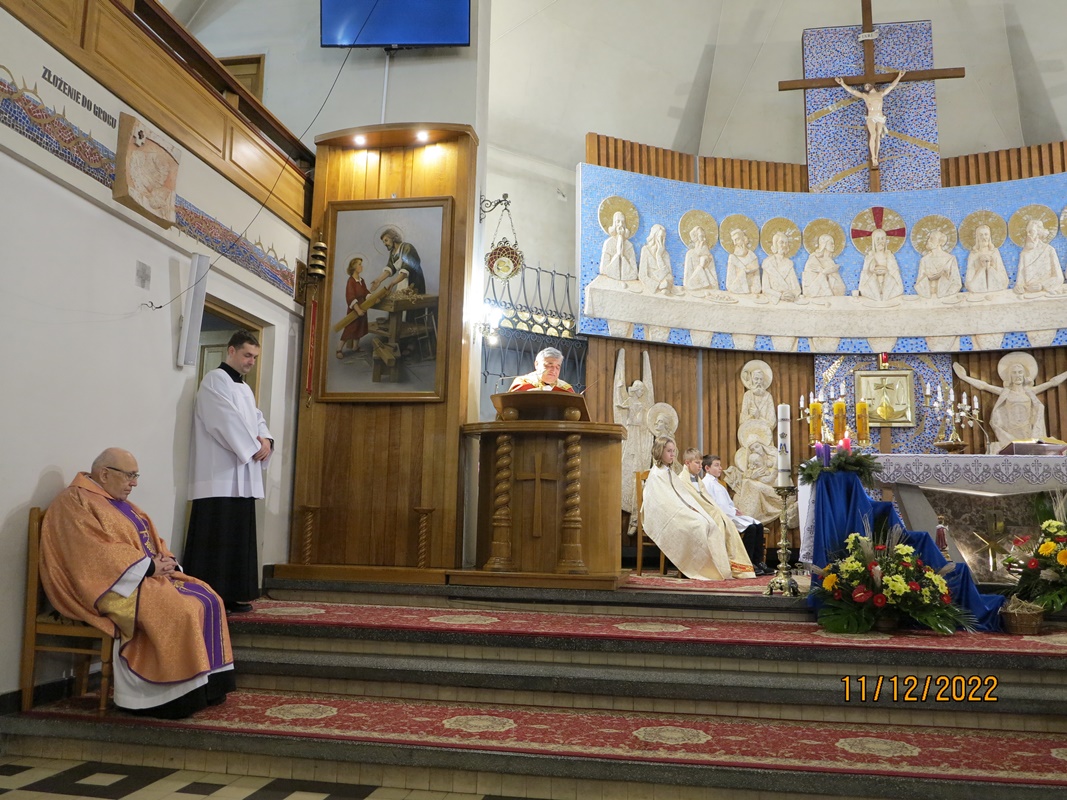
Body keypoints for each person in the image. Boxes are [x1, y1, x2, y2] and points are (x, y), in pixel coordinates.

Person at [41, 448, 234, 718]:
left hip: (135, 577)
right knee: (177, 610)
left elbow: (149, 537)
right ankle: (164, 699)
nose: (134, 483)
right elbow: (92, 553)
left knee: (209, 598)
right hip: (102, 586)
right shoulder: (74, 501)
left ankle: (207, 688)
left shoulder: (116, 501)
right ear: (105, 474)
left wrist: (165, 561)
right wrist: (151, 567)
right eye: (130, 476)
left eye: (136, 476)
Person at [185, 330, 273, 613]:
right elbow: (223, 420)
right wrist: (253, 446)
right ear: (231, 351)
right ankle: (211, 595)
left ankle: (235, 594)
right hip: (219, 476)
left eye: (255, 357)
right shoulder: (214, 380)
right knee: (217, 535)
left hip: (242, 475)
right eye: (247, 355)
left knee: (237, 537)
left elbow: (257, 419)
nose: (251, 362)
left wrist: (266, 440)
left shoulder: (245, 388)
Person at [640, 437, 755, 580]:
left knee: (710, 523)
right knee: (699, 525)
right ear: (659, 451)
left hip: (678, 510)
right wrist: (685, 510)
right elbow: (661, 501)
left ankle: (718, 567)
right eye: (669, 451)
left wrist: (690, 508)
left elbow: (679, 495)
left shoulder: (668, 471)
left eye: (674, 451)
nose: (672, 454)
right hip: (665, 514)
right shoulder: (657, 473)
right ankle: (699, 568)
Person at [954, 353, 1067, 452]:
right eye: (1014, 373)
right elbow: (984, 386)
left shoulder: (1030, 392)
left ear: (1024, 375)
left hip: (1028, 432)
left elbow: (1052, 382)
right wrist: (964, 377)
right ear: (1010, 376)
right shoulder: (1005, 392)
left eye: (1020, 372)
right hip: (1010, 434)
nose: (1018, 375)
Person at [702, 454, 770, 575]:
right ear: (707, 468)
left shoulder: (718, 484)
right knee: (751, 528)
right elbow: (714, 504)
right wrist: (732, 511)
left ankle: (758, 561)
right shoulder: (706, 483)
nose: (720, 468)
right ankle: (747, 563)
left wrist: (734, 509)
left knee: (758, 525)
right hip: (722, 517)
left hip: (730, 514)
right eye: (716, 465)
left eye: (720, 465)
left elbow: (728, 502)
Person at [834, 70, 906, 167]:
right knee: (873, 134)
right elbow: (853, 91)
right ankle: (873, 157)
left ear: (872, 85)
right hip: (871, 117)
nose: (866, 87)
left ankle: (876, 156)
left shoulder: (880, 94)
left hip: (880, 117)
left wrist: (899, 77)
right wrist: (842, 83)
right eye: (865, 87)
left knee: (878, 136)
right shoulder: (866, 96)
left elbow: (891, 86)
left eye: (867, 85)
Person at [1014, 219, 1064, 294]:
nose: (1028, 235)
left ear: (1039, 233)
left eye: (1031, 231)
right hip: (1028, 294)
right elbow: (1020, 282)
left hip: (1046, 292)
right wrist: (1019, 287)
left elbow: (1059, 277)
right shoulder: (1024, 254)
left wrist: (1042, 285)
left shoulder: (1049, 250)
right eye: (1027, 232)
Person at [370, 227, 425, 295]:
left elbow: (406, 270)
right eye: (383, 242)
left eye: (386, 240)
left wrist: (393, 283)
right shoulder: (393, 253)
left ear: (393, 238)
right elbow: (390, 268)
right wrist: (378, 280)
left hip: (413, 283)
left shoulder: (407, 247)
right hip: (402, 281)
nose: (384, 244)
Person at [914, 228, 962, 299]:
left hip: (946, 296)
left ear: (940, 242)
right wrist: (928, 279)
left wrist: (946, 291)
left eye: (932, 239)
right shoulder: (924, 260)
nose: (928, 241)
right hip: (928, 296)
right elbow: (919, 283)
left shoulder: (950, 259)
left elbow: (957, 283)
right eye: (929, 238)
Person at [599, 210, 640, 291]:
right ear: (613, 224)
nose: (620, 225)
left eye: (622, 222)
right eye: (618, 222)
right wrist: (618, 254)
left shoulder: (629, 245)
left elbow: (634, 273)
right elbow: (604, 269)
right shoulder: (608, 243)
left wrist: (622, 255)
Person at [336, 256, 369, 358]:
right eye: (359, 264)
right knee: (350, 328)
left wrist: (371, 297)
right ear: (354, 267)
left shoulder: (362, 280)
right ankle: (339, 349)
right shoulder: (351, 281)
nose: (361, 266)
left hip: (363, 306)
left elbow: (365, 292)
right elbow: (350, 296)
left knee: (360, 326)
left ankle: (355, 347)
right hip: (354, 309)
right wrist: (358, 310)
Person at [858, 229, 903, 301]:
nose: (880, 241)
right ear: (874, 241)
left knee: (891, 279)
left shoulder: (889, 255)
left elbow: (895, 271)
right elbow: (865, 272)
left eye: (882, 238)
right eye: (878, 239)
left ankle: (885, 297)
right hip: (873, 283)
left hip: (887, 282)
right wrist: (872, 271)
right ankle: (877, 297)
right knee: (870, 279)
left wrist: (887, 272)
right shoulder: (870, 255)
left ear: (885, 240)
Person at [964, 223, 1009, 293]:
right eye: (981, 235)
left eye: (986, 234)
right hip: (977, 287)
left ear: (989, 236)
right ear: (977, 237)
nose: (984, 237)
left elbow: (1002, 275)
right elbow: (969, 278)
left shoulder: (994, 252)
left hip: (996, 287)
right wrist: (981, 268)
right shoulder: (973, 254)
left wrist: (990, 266)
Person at [509, 346, 575, 392]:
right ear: (536, 364)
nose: (554, 370)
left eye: (557, 367)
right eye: (549, 365)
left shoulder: (565, 389)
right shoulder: (522, 383)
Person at [760, 231, 801, 302]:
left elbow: (796, 287)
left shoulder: (789, 263)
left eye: (786, 243)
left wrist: (791, 294)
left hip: (788, 300)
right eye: (781, 242)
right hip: (774, 299)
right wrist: (779, 295)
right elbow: (765, 288)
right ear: (775, 244)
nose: (784, 245)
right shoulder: (767, 263)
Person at [801, 233, 846, 297]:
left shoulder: (831, 262)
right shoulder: (813, 260)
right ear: (824, 244)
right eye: (831, 243)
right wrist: (824, 272)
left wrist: (826, 271)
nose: (833, 246)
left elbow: (841, 288)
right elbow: (810, 291)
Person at [639, 223, 674, 294]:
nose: (662, 240)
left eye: (664, 238)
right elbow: (642, 275)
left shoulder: (665, 254)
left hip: (664, 288)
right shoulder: (645, 250)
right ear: (654, 236)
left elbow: (670, 277)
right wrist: (657, 285)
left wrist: (659, 256)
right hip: (652, 288)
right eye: (660, 237)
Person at [682, 224, 717, 297]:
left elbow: (715, 285)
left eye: (705, 237)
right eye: (701, 236)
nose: (704, 240)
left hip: (710, 294)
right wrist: (701, 266)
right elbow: (688, 284)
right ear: (695, 238)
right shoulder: (690, 254)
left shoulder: (709, 256)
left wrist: (706, 267)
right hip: (693, 294)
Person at [725, 228, 760, 295]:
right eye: (733, 241)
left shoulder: (752, 257)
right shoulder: (732, 258)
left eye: (737, 239)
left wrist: (754, 290)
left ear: (744, 239)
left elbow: (757, 281)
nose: (735, 243)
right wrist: (743, 273)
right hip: (735, 292)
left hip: (751, 295)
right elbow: (729, 283)